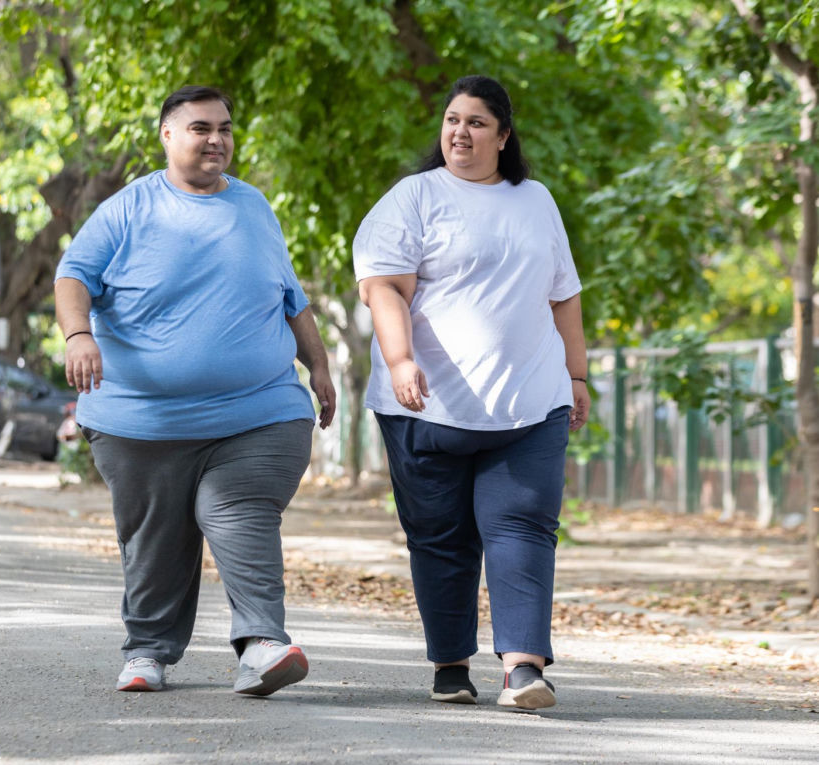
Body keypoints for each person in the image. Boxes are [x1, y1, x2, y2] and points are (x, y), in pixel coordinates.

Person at [54, 85, 335, 697]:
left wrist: (319, 368)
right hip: (141, 421)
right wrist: (79, 336)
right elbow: (73, 274)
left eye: (226, 129)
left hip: (260, 411)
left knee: (234, 508)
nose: (217, 140)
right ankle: (148, 651)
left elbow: (292, 298)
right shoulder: (129, 209)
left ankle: (263, 644)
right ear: (167, 136)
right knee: (157, 538)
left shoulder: (254, 206)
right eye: (201, 128)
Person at [353, 75, 589, 709]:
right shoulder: (415, 198)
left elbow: (563, 295)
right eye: (453, 119)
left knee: (523, 529)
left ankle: (523, 669)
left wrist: (577, 376)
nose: (461, 132)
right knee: (440, 536)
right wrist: (400, 360)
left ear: (504, 136)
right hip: (427, 406)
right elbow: (384, 289)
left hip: (529, 403)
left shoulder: (535, 200)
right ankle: (451, 666)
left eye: (477, 122)